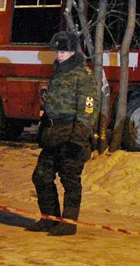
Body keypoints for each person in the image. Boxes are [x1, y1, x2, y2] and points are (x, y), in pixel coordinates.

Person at [28, 30, 99, 237]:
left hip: (71, 135)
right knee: (41, 176)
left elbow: (87, 110)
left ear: (73, 51)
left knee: (70, 178)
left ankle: (68, 223)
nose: (59, 55)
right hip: (53, 134)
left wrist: (78, 140)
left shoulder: (83, 76)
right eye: (58, 51)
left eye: (64, 51)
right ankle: (49, 219)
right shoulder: (58, 71)